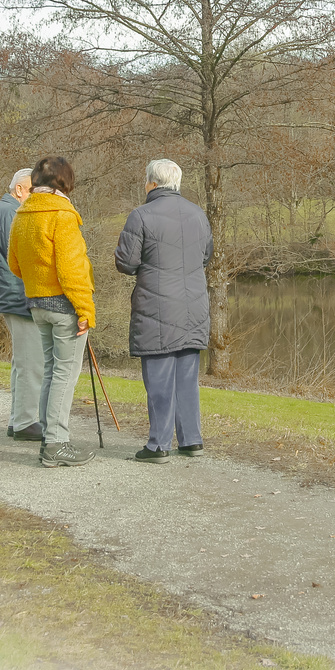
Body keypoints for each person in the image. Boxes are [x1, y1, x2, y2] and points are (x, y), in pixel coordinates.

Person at [114, 158, 212, 464]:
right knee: (186, 376)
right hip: (193, 305)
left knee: (158, 378)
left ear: (152, 183)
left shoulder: (140, 215)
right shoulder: (198, 214)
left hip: (156, 306)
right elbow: (204, 256)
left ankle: (158, 445)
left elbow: (125, 262)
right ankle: (191, 439)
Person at [7, 156, 97, 468]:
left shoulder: (23, 213)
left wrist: (37, 283)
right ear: (65, 182)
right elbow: (72, 270)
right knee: (64, 375)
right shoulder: (63, 214)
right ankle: (57, 443)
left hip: (36, 303)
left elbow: (14, 264)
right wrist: (85, 308)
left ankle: (49, 438)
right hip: (64, 305)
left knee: (50, 370)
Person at [0, 168, 43, 440]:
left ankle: (17, 419)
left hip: (10, 294)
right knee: (32, 362)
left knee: (23, 361)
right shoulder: (10, 213)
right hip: (17, 296)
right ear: (20, 190)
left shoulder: (3, 210)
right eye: (33, 190)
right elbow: (22, 258)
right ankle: (26, 422)